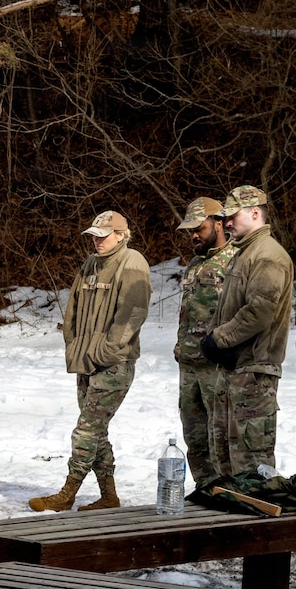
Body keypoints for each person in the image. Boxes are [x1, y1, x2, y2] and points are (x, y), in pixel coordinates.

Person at [31, 210, 151, 511]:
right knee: (98, 431)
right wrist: (73, 345)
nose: (96, 241)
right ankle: (109, 497)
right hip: (86, 361)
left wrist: (107, 350)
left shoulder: (132, 261)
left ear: (121, 236)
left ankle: (67, 493)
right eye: (93, 236)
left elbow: (134, 312)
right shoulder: (90, 265)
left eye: (103, 236)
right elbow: (71, 308)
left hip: (113, 364)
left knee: (86, 429)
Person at [201, 186, 293, 478]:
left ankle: (258, 524)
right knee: (226, 464)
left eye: (233, 216)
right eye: (225, 217)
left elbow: (259, 311)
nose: (227, 223)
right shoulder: (243, 254)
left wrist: (219, 340)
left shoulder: (267, 256)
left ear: (255, 213)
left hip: (253, 374)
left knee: (252, 468)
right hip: (235, 370)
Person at [173, 197, 234, 485]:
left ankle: (227, 494)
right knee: (194, 438)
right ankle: (204, 492)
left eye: (199, 228)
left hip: (216, 367)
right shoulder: (195, 264)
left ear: (219, 224)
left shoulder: (235, 260)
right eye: (190, 231)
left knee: (220, 437)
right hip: (189, 367)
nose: (194, 235)